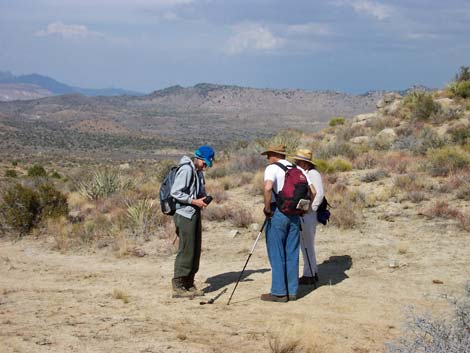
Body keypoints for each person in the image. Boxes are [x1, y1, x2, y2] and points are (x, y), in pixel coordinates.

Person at [260, 144, 315, 302]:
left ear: (274, 154)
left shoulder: (272, 168)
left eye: (268, 154)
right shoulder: (299, 169)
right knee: (292, 252)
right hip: (295, 215)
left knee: (276, 252)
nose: (267, 158)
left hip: (278, 212)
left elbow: (268, 187)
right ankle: (292, 291)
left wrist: (267, 208)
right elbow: (313, 192)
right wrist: (303, 209)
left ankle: (279, 292)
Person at [170, 145, 215, 298]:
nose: (205, 167)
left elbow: (198, 192)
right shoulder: (187, 169)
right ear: (198, 158)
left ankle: (189, 283)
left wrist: (202, 199)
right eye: (204, 163)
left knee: (195, 249)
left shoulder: (198, 172)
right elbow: (175, 192)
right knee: (186, 249)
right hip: (184, 214)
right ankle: (178, 284)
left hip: (193, 213)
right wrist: (194, 201)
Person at [293, 148, 324, 285]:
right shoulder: (308, 173)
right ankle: (312, 271)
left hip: (308, 215)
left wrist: (311, 209)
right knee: (306, 244)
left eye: (298, 161)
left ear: (304, 163)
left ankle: (309, 274)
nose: (296, 163)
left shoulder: (313, 174)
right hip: (307, 214)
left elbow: (319, 194)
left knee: (307, 244)